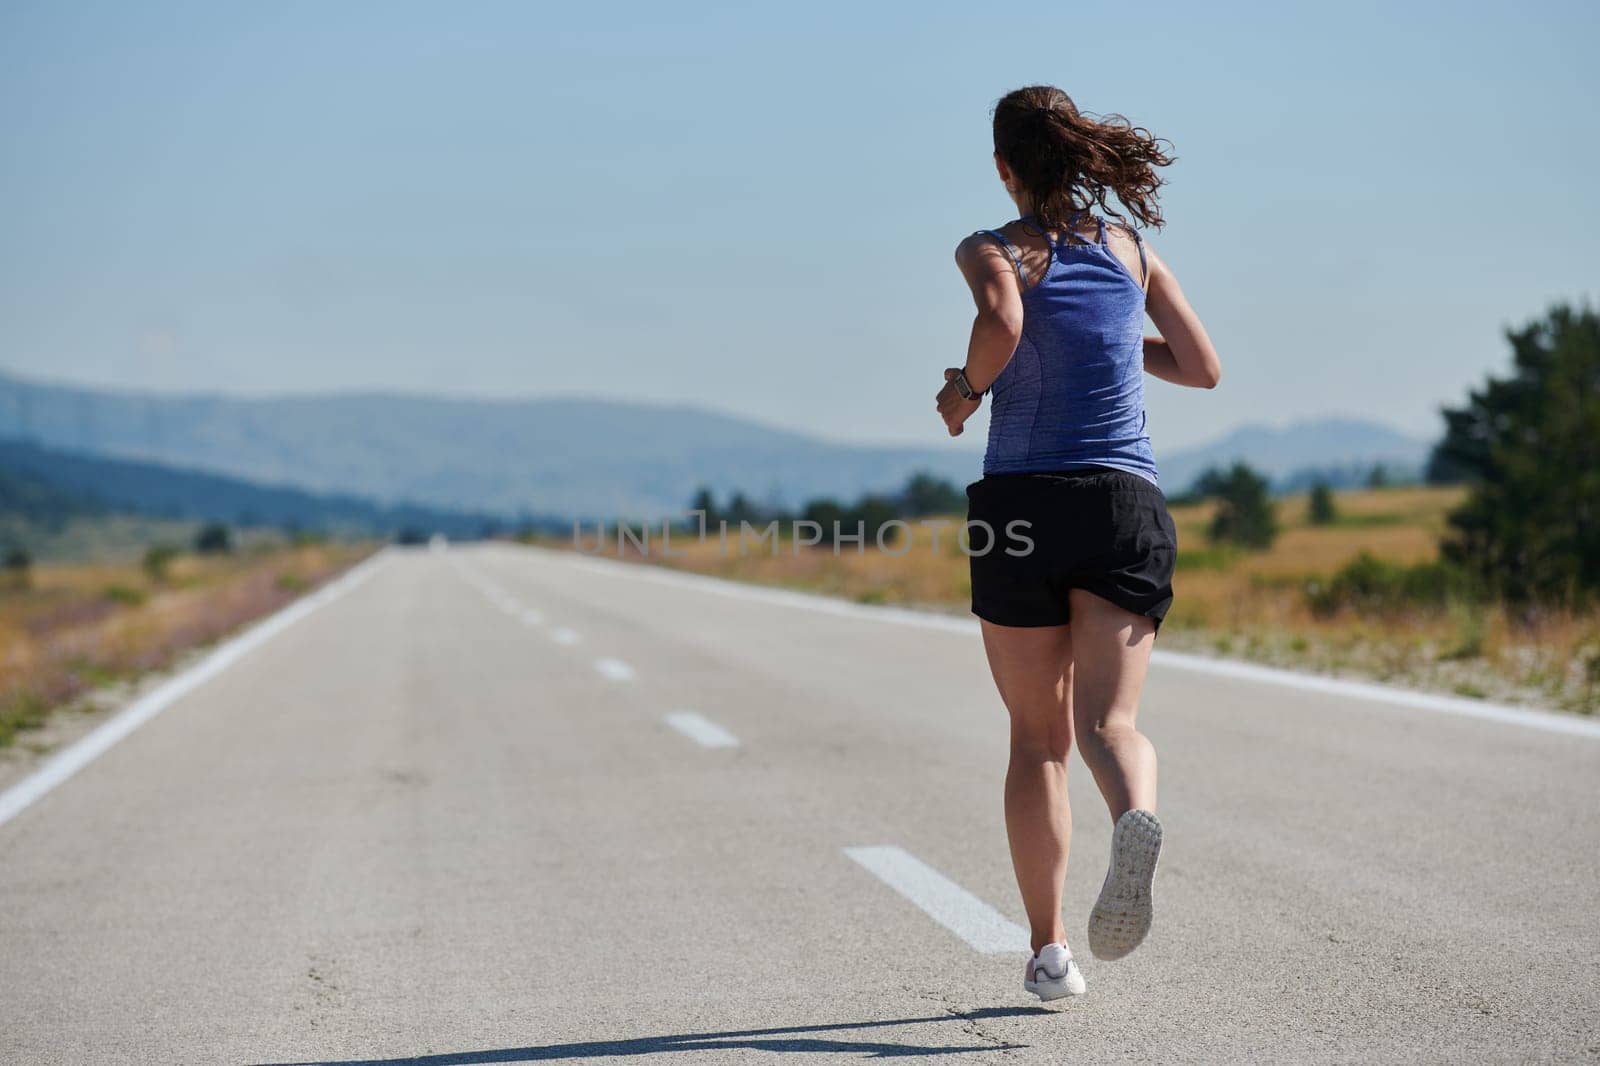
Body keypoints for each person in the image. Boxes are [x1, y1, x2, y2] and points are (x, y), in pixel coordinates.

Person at [935, 85, 1222, 1002]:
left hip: (1023, 504)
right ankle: (1136, 813)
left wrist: (966, 391)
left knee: (1036, 740)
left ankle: (1051, 952)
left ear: (1003, 167)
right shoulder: (1133, 250)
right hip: (1123, 503)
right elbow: (1202, 368)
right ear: (1084, 156)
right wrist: (1111, 339)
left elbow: (1004, 322)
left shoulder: (992, 247)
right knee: (1111, 725)